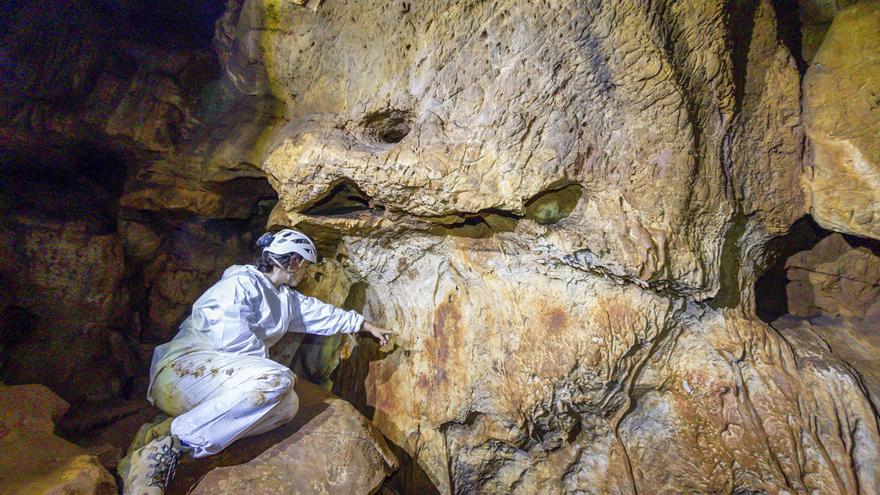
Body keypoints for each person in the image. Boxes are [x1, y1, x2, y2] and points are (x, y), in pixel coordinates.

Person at [123, 229, 394, 494]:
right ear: (293, 261)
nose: (306, 273)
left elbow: (319, 314)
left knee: (287, 406)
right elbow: (232, 340)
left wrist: (363, 324)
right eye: (305, 266)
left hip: (217, 380)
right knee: (277, 380)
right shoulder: (239, 284)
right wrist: (266, 375)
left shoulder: (283, 297)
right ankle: (166, 449)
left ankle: (166, 434)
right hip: (181, 371)